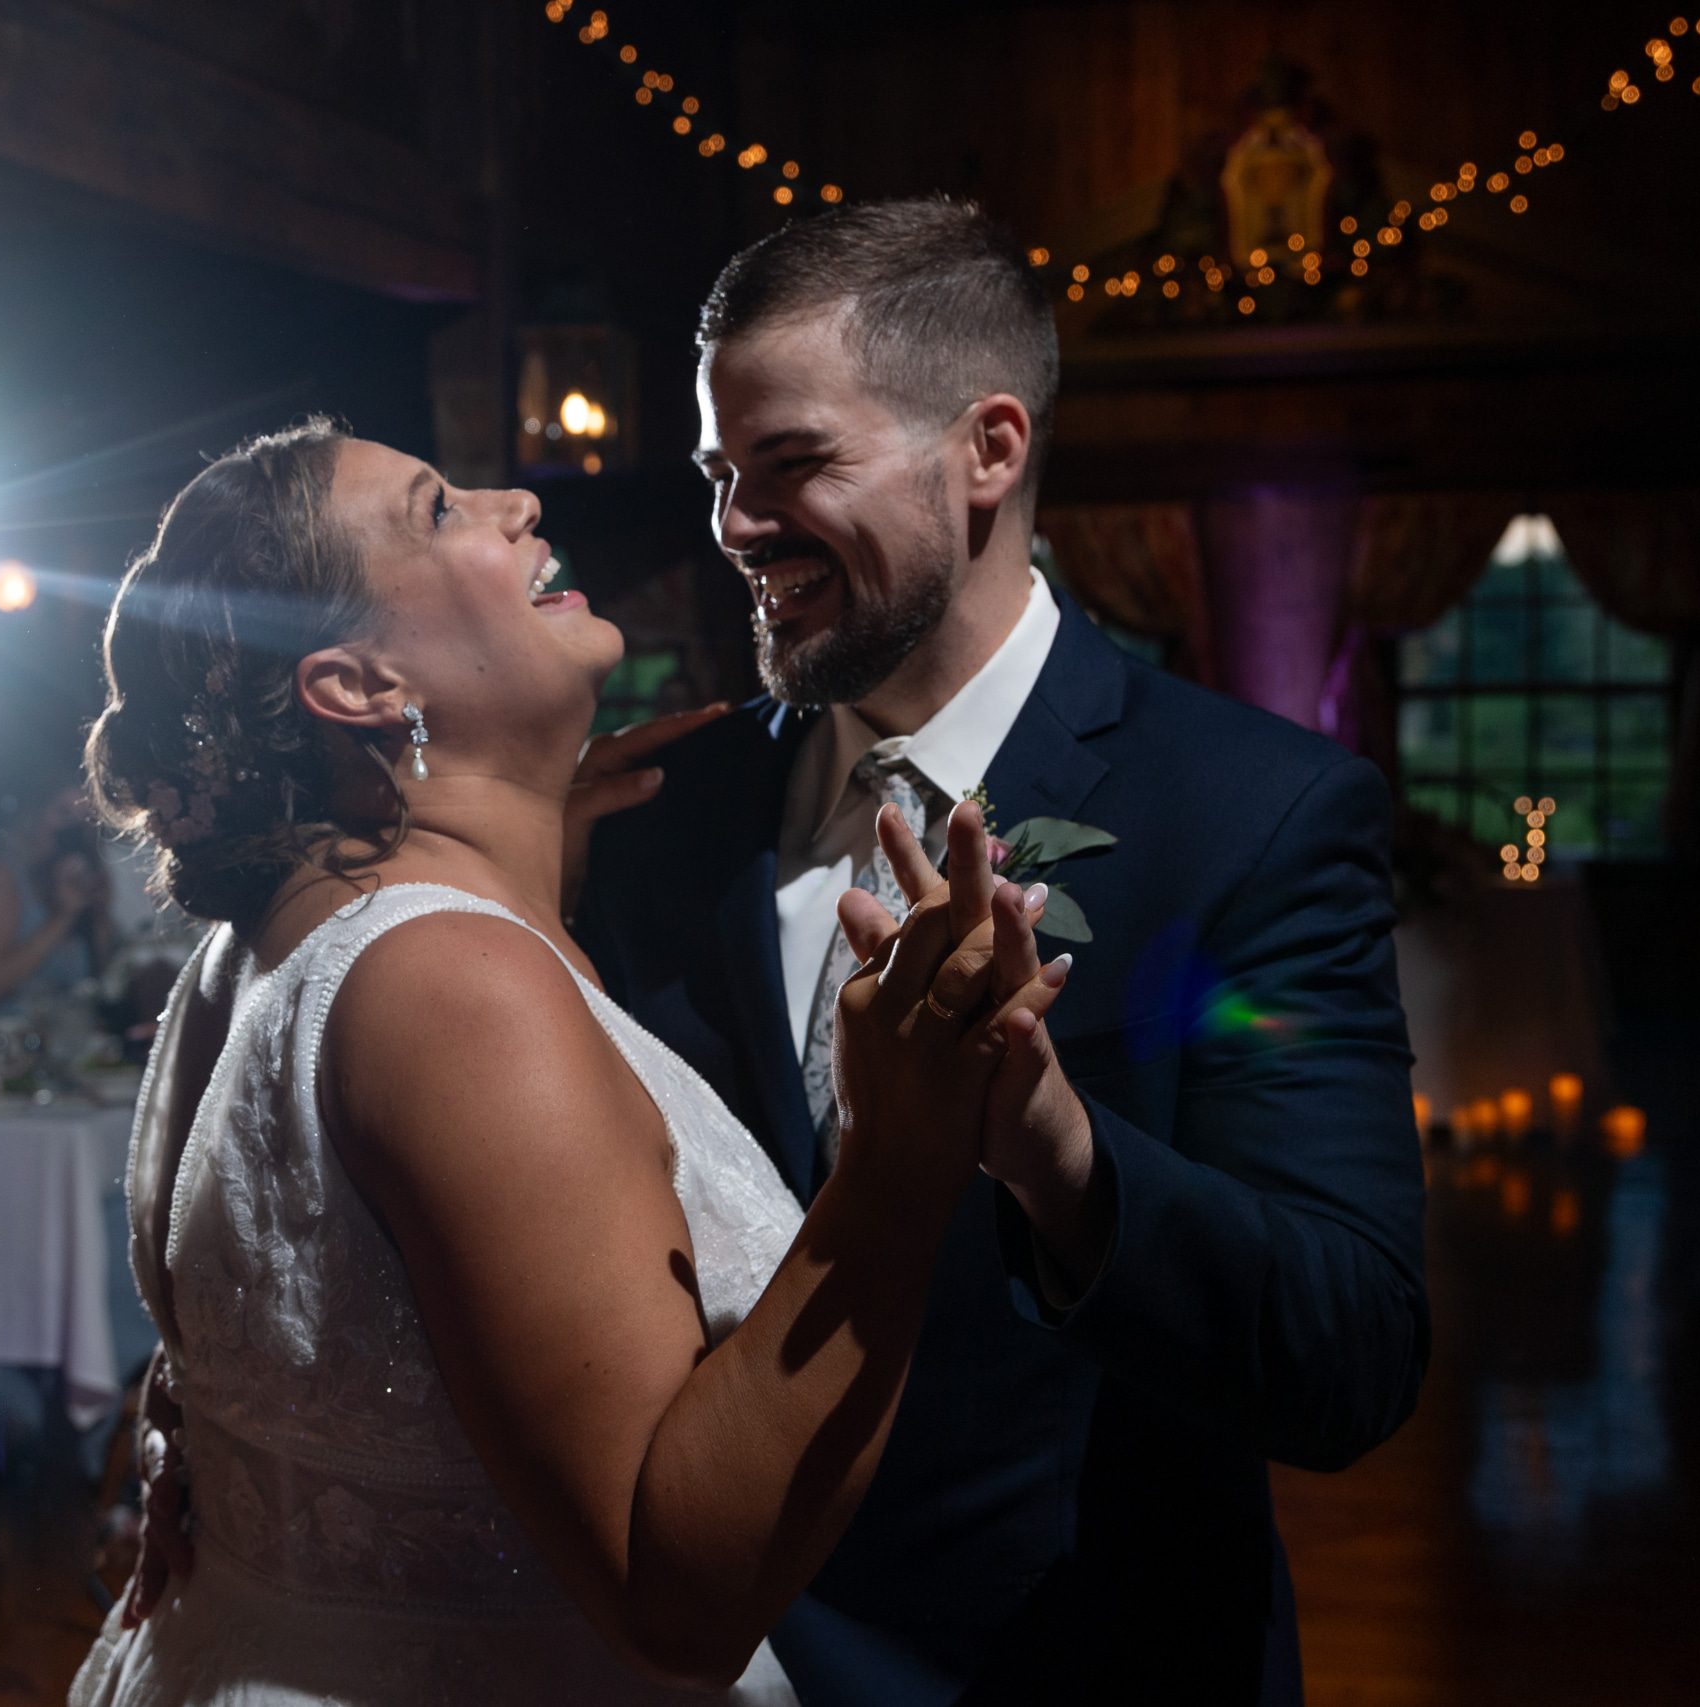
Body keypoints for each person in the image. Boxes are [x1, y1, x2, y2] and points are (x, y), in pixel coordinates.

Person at [567, 196, 1431, 1703]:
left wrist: (1059, 1156)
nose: (733, 526)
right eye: (720, 472)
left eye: (794, 463)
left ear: (988, 449)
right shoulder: (650, 818)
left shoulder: (1256, 813)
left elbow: (1346, 1347)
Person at [69, 418, 1068, 1706]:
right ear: (360, 688)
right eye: (439, 513)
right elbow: (675, 1599)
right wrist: (899, 1158)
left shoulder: (254, 949)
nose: (516, 503)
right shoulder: (456, 989)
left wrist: (537, 855)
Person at [0, 787, 115, 1009]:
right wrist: (63, 917)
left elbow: (101, 978)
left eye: (87, 818)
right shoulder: (0, 879)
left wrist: (96, 914)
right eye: (64, 813)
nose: (74, 829)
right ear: (35, 815)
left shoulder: (83, 882)